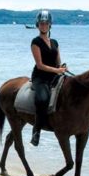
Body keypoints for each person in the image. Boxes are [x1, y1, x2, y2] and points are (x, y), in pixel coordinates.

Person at [30, 10, 67, 146]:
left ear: (50, 25)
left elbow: (58, 62)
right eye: (41, 24)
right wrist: (57, 70)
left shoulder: (55, 43)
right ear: (37, 25)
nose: (44, 26)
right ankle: (36, 131)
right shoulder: (35, 42)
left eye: (46, 23)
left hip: (54, 76)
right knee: (43, 99)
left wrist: (62, 67)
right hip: (40, 78)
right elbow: (40, 65)